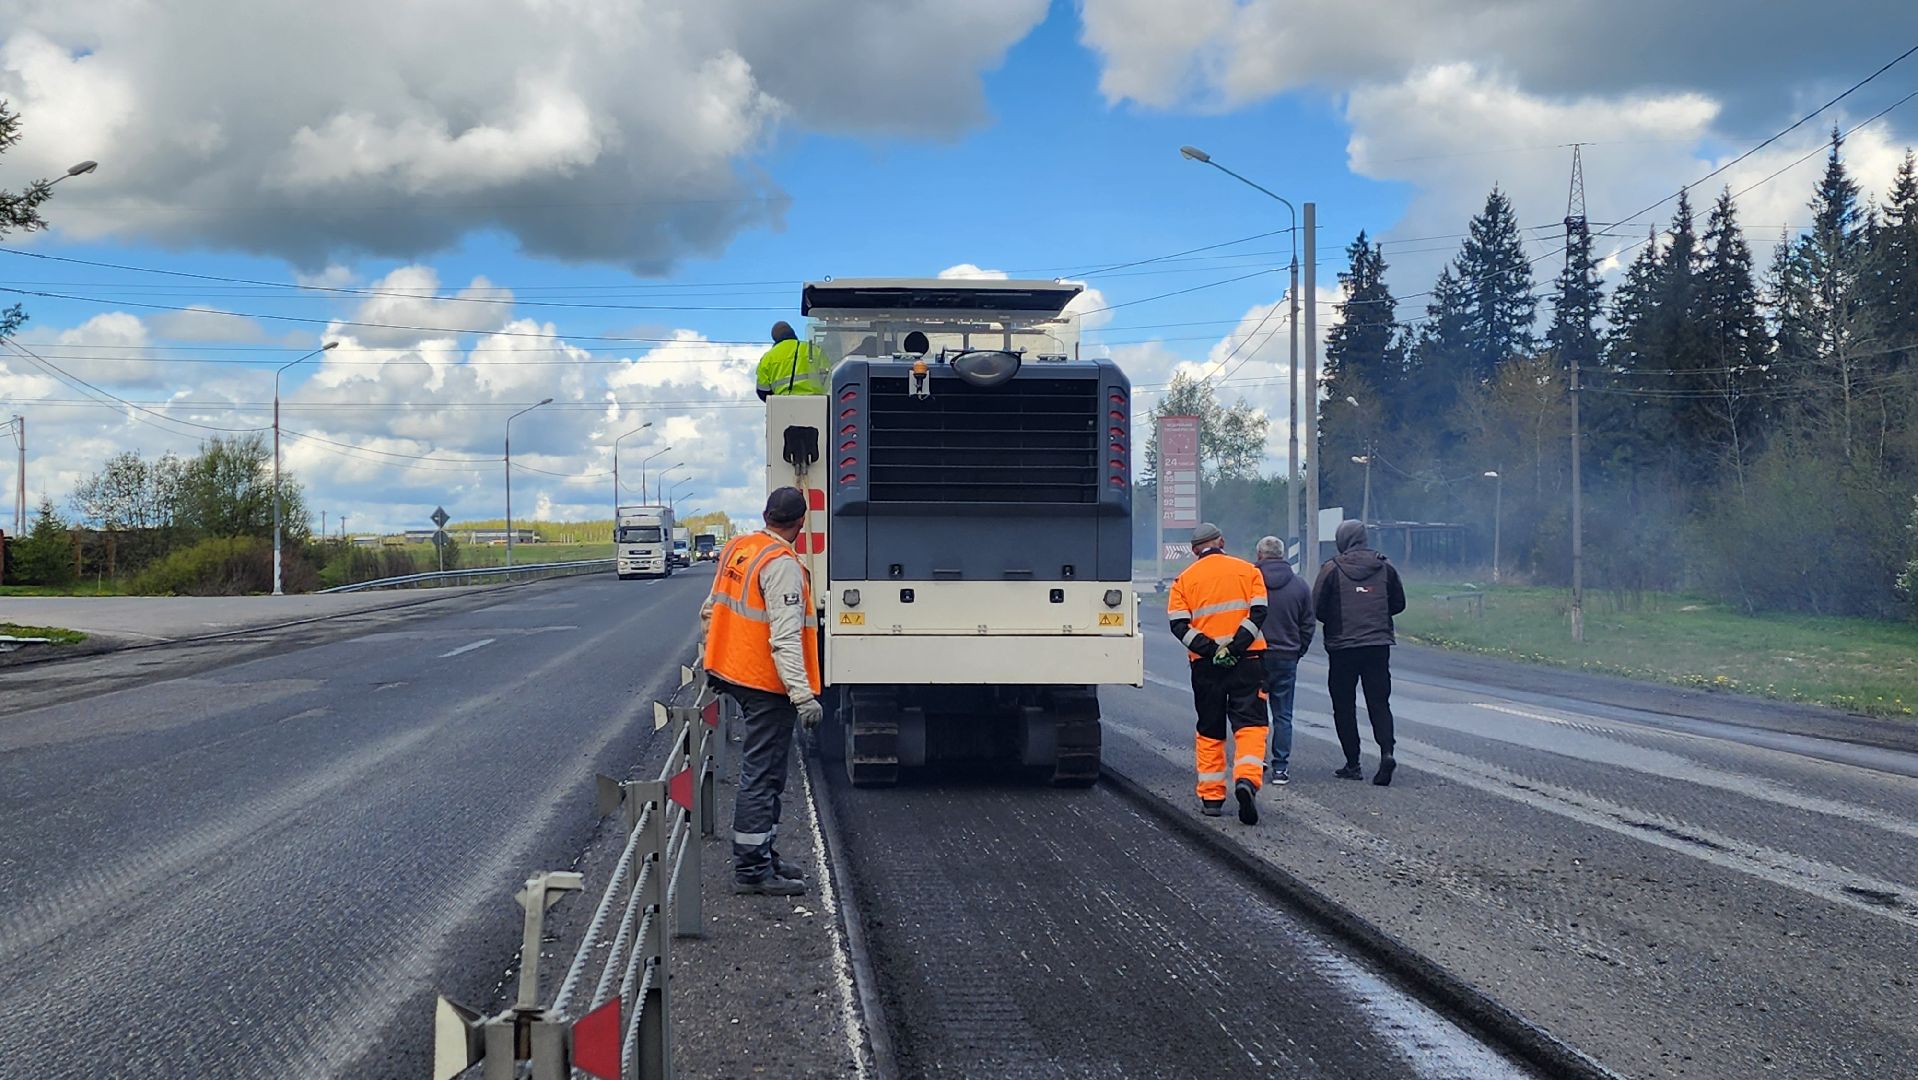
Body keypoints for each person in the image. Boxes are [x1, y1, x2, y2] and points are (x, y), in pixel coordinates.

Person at [700, 486, 824, 894]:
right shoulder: (782, 564)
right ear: (801, 522)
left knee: (767, 772)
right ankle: (752, 870)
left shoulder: (740, 547)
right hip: (765, 684)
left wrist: (713, 657)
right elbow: (785, 639)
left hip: (736, 674)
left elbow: (710, 608)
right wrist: (802, 696)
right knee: (762, 774)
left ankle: (764, 854)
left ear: (766, 515)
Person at [1166, 523, 1269, 824]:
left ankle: (1212, 798)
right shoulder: (1249, 571)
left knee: (1210, 728)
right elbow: (1259, 612)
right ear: (1221, 542)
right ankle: (1246, 780)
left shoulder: (1183, 580)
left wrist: (1212, 650)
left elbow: (1178, 625)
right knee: (1250, 724)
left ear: (1194, 550)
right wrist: (1235, 647)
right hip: (1248, 660)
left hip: (1205, 666)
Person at [1312, 519, 1406, 786]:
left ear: (1342, 539)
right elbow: (1399, 603)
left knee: (1344, 705)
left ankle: (1352, 763)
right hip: (1377, 645)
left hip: (1343, 647)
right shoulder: (1385, 567)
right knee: (1379, 702)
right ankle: (1387, 752)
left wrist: (1336, 619)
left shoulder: (1331, 568)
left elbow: (1317, 607)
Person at [1252, 535, 1314, 785]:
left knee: (1254, 713)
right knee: (1283, 714)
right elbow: (1308, 624)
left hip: (1254, 655)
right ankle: (1280, 767)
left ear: (1259, 555)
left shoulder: (1250, 582)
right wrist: (1298, 651)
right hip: (1287, 656)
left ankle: (1256, 759)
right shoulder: (1299, 585)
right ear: (1283, 555)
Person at [755, 321, 828, 399]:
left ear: (774, 338)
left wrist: (776, 399)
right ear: (793, 333)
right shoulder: (814, 350)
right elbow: (828, 376)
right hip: (816, 401)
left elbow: (763, 390)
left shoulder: (767, 358)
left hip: (782, 403)